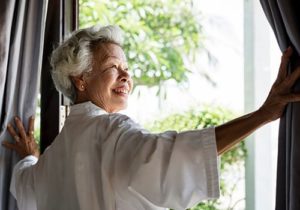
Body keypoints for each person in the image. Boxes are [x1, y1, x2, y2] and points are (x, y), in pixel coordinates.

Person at [2, 25, 300, 210]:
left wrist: (31, 155)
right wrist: (263, 114)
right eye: (113, 66)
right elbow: (175, 155)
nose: (127, 74)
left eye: (126, 67)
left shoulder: (51, 160)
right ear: (80, 79)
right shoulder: (111, 131)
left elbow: (24, 183)